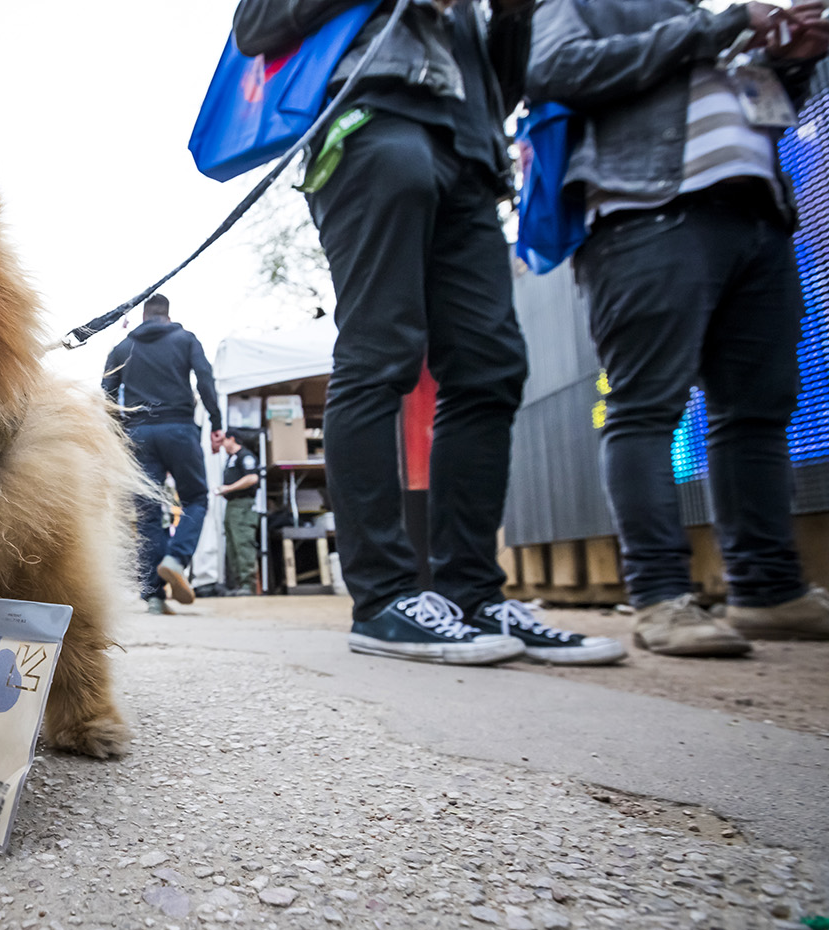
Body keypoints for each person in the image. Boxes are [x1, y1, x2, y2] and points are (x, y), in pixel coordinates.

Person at [234, 0, 625, 666]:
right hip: (371, 122)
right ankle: (384, 600)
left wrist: (511, 16)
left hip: (469, 152)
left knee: (491, 367)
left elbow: (500, 90)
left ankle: (472, 594)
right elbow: (255, 24)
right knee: (380, 354)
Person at [527, 0, 829, 655]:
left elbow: (766, 110)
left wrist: (788, 63)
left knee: (755, 412)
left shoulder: (709, 18)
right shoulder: (585, 5)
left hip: (759, 215)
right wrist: (720, 26)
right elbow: (553, 69)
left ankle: (769, 592)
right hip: (648, 213)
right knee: (643, 407)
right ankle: (661, 596)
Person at [102, 294, 223, 614]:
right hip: (179, 428)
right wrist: (217, 422)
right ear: (167, 315)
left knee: (148, 514)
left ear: (144, 315)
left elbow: (107, 396)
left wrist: (117, 435)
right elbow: (206, 380)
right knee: (196, 497)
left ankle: (154, 597)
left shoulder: (123, 348)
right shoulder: (186, 340)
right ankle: (176, 558)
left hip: (138, 434)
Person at [215, 428, 261, 596]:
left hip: (243, 505)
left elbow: (252, 478)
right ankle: (238, 585)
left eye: (224, 441)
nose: (222, 445)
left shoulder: (245, 456)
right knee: (232, 545)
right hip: (232, 505)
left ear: (232, 439)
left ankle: (248, 585)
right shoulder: (231, 459)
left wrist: (228, 488)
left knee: (243, 543)